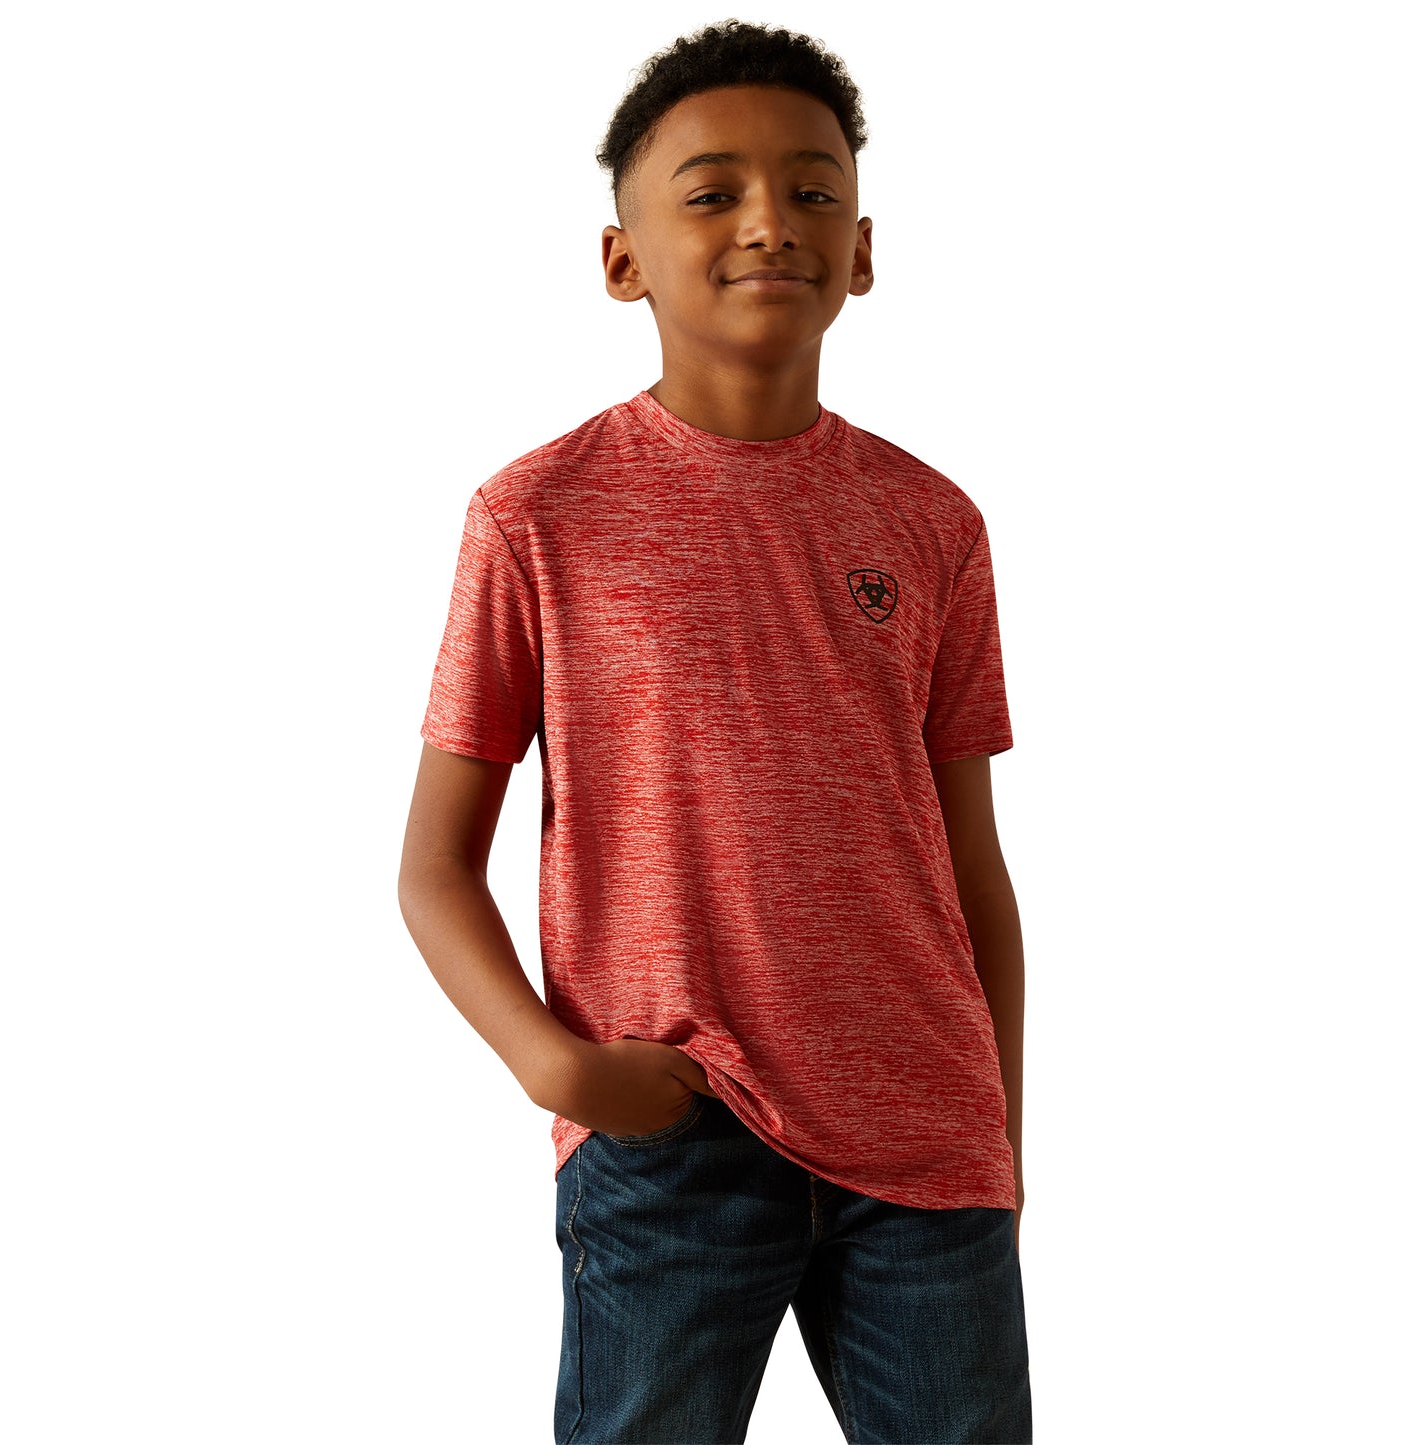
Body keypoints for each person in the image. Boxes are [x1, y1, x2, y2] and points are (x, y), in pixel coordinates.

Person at [398, 18, 1032, 1444]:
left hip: (928, 1149)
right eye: (712, 191)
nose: (768, 221)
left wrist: (1000, 1127)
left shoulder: (934, 523)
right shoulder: (536, 517)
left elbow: (971, 868)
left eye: (812, 190)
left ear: (861, 250)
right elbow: (433, 864)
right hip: (672, 1132)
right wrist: (555, 1066)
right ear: (621, 260)